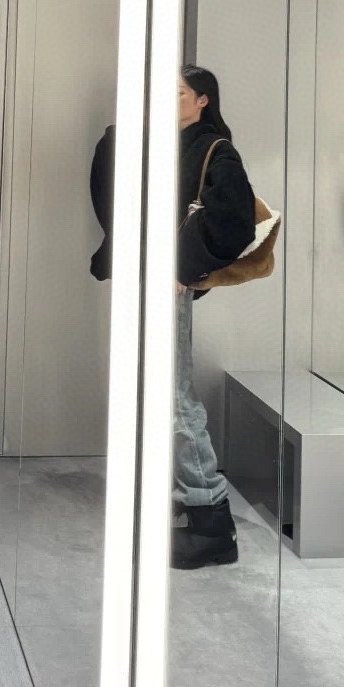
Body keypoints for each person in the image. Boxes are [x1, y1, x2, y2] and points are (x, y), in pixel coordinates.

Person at [89, 65, 255, 570]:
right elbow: (111, 184)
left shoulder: (214, 150)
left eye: (179, 93)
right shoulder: (156, 142)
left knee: (173, 396)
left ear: (203, 100)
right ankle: (184, 495)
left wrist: (184, 267)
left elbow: (236, 222)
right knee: (153, 389)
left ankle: (211, 519)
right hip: (142, 278)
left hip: (165, 285)